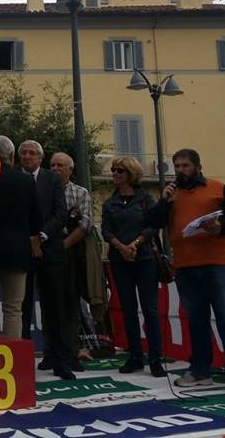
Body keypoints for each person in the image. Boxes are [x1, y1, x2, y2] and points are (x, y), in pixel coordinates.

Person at [146, 148, 225, 395]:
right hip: (185, 265)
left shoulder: (218, 188)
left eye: (185, 165)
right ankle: (200, 370)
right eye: (177, 166)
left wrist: (220, 227)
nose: (181, 170)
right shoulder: (172, 194)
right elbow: (152, 222)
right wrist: (163, 201)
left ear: (198, 167)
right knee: (196, 320)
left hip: (217, 262)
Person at [19, 140, 79, 379]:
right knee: (21, 307)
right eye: (23, 153)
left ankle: (61, 361)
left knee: (55, 307)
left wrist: (41, 236)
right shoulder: (14, 179)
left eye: (32, 153)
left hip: (51, 250)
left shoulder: (52, 179)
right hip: (22, 251)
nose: (27, 156)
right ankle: (21, 363)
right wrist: (28, 239)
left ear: (40, 158)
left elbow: (61, 213)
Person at [100, 156, 165, 377]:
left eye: (120, 170)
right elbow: (106, 231)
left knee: (150, 310)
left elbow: (154, 226)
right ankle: (135, 355)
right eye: (113, 170)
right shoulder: (110, 203)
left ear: (130, 173)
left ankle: (155, 357)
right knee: (128, 310)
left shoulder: (145, 199)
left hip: (145, 259)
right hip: (120, 261)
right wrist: (122, 248)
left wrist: (135, 244)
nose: (115, 174)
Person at [0, 136, 39, 338]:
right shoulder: (26, 181)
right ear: (13, 156)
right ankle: (12, 351)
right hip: (18, 252)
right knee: (13, 308)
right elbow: (36, 218)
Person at [49, 152, 91, 363]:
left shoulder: (80, 192)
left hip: (72, 251)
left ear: (70, 169)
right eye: (52, 165)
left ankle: (72, 351)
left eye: (60, 165)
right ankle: (51, 352)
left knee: (71, 301)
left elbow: (86, 224)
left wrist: (64, 245)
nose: (55, 169)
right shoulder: (43, 189)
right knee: (50, 302)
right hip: (48, 249)